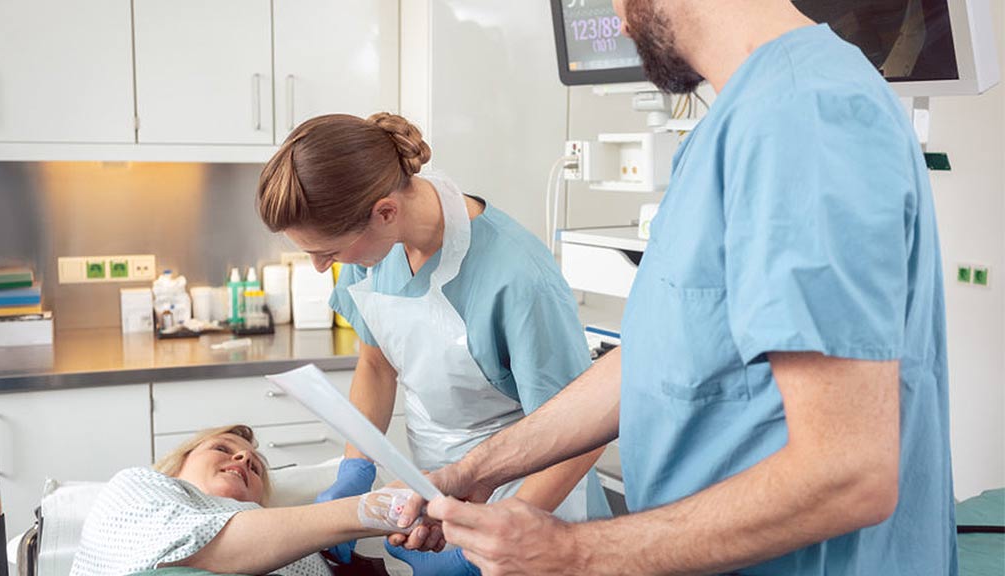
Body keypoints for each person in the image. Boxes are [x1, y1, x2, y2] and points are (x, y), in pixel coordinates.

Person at [394, 0, 957, 574]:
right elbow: (654, 359)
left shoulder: (801, 113)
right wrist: (479, 469)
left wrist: (571, 553)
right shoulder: (739, 118)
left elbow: (847, 473)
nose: (617, 22)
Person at [256, 112, 611, 574]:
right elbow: (377, 364)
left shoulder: (519, 279)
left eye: (329, 251)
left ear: (385, 211)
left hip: (532, 498)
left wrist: (494, 540)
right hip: (438, 491)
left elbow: (582, 434)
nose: (323, 268)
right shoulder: (377, 248)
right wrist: (355, 468)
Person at [69, 424, 415, 576]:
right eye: (222, 449)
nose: (244, 460)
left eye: (256, 468)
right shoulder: (135, 486)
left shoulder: (297, 547)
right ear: (179, 464)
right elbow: (200, 549)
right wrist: (381, 507)